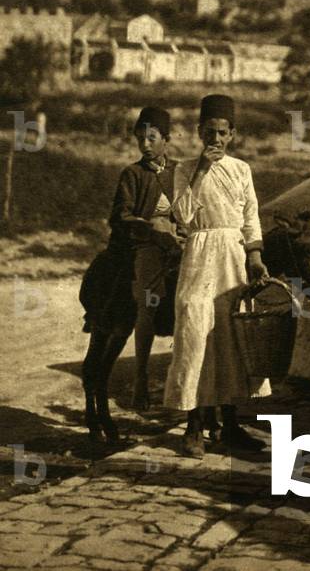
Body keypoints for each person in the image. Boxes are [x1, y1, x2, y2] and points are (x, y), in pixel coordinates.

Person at [164, 94, 270, 458]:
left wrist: (254, 256)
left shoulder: (242, 170)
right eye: (210, 132)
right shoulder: (183, 170)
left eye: (223, 133)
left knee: (229, 338)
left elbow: (251, 216)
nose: (216, 139)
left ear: (233, 134)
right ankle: (193, 427)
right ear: (198, 132)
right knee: (194, 334)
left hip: (232, 257)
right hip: (198, 257)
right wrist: (201, 172)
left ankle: (230, 425)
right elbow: (182, 217)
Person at [80, 105, 180, 437]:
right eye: (141, 138)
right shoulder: (132, 175)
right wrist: (148, 229)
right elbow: (119, 215)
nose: (145, 144)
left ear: (166, 139)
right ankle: (97, 409)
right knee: (112, 330)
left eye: (152, 138)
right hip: (133, 253)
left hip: (174, 253)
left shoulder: (180, 174)